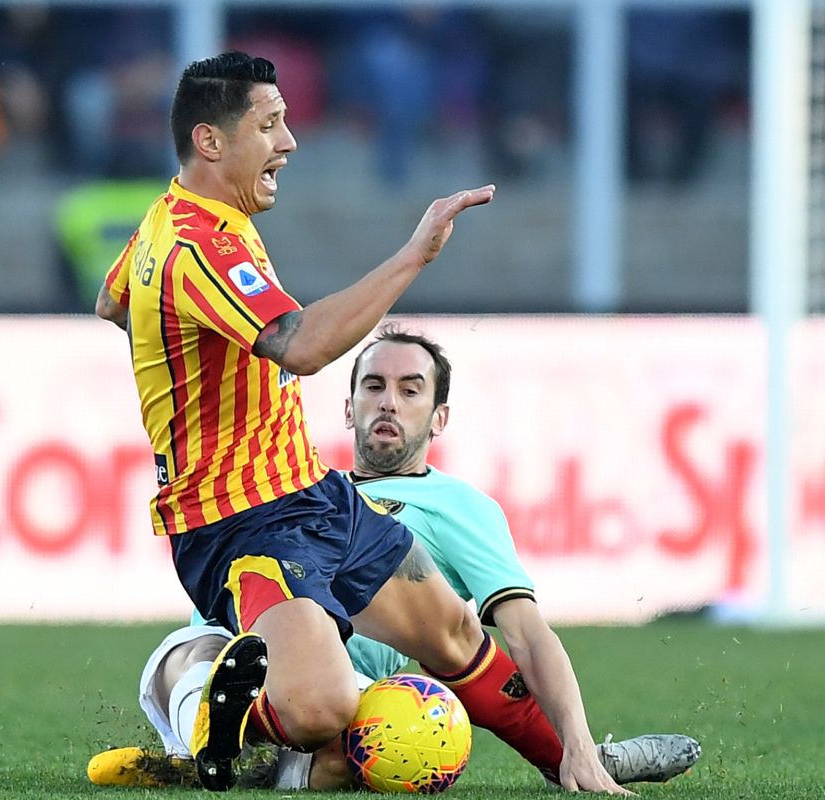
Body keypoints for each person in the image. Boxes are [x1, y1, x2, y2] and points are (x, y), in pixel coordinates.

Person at [96, 51, 632, 794]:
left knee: (452, 633)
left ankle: (575, 767)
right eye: (270, 125)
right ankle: (209, 714)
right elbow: (305, 346)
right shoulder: (203, 245)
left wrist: (178, 384)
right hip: (243, 520)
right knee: (325, 708)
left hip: (313, 495)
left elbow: (113, 302)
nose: (288, 142)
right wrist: (416, 255)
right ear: (211, 142)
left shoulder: (168, 222)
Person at [88, 327, 702, 791]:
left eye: (411, 390)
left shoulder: (460, 508)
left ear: (439, 417)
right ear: (347, 407)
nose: (389, 402)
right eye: (374, 387)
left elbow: (524, 633)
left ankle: (219, 759)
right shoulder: (294, 490)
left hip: (342, 711)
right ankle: (217, 729)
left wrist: (577, 744)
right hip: (237, 656)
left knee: (393, 729)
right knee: (185, 651)